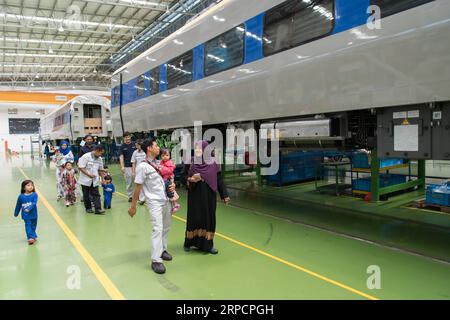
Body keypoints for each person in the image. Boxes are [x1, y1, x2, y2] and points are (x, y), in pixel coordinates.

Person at [128, 138, 175, 274]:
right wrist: (133, 206)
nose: (158, 148)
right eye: (155, 145)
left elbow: (166, 179)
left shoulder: (159, 163)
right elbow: (138, 187)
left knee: (166, 227)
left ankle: (163, 250)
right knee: (157, 229)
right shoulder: (142, 166)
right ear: (149, 148)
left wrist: (172, 185)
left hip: (165, 199)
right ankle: (156, 260)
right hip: (154, 202)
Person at [182, 140, 230, 254]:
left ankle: (208, 245)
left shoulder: (213, 163)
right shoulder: (190, 162)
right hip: (195, 196)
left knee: (209, 219)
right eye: (196, 148)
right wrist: (190, 179)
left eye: (200, 148)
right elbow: (182, 177)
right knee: (194, 218)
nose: (198, 150)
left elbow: (219, 179)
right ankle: (189, 242)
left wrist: (225, 195)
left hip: (209, 197)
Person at [78, 145, 107, 215]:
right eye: (100, 153)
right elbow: (81, 167)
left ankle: (98, 209)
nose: (101, 155)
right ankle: (88, 208)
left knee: (96, 194)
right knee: (86, 195)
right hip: (85, 179)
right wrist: (88, 175)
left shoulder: (99, 159)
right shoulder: (86, 156)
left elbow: (100, 169)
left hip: (94, 179)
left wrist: (103, 179)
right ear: (97, 151)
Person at [14, 180, 39, 245]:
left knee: (33, 225)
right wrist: (16, 213)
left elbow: (34, 203)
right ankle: (30, 237)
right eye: (28, 185)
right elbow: (18, 205)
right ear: (24, 188)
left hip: (34, 214)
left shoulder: (34, 195)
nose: (31, 187)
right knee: (28, 225)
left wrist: (29, 208)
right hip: (26, 215)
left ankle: (33, 235)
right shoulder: (21, 196)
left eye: (32, 185)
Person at [159, 149, 181, 213]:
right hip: (164, 179)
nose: (165, 157)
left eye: (167, 155)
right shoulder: (161, 162)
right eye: (163, 155)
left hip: (168, 179)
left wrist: (161, 168)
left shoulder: (170, 163)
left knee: (170, 190)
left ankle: (175, 204)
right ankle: (172, 205)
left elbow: (169, 171)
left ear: (170, 156)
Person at [120, 132, 136, 202]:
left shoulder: (134, 144)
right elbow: (121, 157)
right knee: (129, 182)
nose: (127, 138)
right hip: (127, 166)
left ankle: (140, 196)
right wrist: (122, 166)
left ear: (130, 137)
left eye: (128, 136)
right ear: (124, 138)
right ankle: (130, 196)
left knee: (138, 181)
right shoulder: (122, 146)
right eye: (126, 137)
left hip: (136, 166)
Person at [131, 139, 147, 205]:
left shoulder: (145, 152)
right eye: (136, 145)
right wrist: (133, 172)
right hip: (138, 171)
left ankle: (147, 198)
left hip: (146, 171)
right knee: (139, 185)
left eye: (137, 145)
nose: (136, 146)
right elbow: (133, 163)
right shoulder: (135, 152)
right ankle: (141, 199)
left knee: (146, 185)